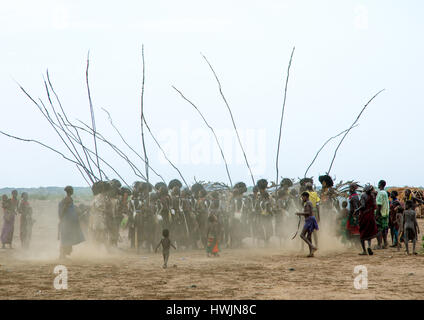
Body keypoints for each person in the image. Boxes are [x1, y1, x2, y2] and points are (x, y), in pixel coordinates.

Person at [58, 186, 85, 259]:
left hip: (67, 222)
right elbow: (64, 210)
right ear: (70, 191)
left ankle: (63, 255)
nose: (73, 191)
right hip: (66, 222)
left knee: (66, 239)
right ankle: (62, 255)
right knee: (66, 239)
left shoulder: (68, 199)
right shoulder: (67, 199)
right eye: (72, 190)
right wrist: (62, 219)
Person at [357, 185, 378, 255]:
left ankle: (364, 251)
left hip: (364, 216)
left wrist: (356, 210)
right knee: (369, 233)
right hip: (371, 216)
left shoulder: (363, 195)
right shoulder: (373, 196)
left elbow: (363, 206)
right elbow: (375, 206)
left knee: (362, 233)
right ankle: (369, 246)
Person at [296, 192, 318, 257]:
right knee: (309, 237)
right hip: (311, 220)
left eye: (302, 197)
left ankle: (312, 247)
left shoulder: (308, 203)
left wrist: (299, 213)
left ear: (306, 197)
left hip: (309, 220)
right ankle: (311, 253)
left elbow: (308, 213)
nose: (302, 198)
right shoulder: (309, 203)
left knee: (302, 235)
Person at [375, 180, 390, 249]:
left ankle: (379, 244)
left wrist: (377, 214)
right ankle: (385, 243)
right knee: (384, 229)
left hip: (381, 213)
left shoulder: (380, 193)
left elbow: (379, 205)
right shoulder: (385, 193)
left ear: (380, 184)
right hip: (386, 213)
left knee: (379, 229)